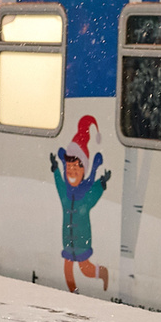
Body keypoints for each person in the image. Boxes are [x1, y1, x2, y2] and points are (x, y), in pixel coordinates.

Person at [48, 115, 112, 293]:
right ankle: (74, 294)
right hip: (68, 241)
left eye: (76, 168)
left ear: (84, 171)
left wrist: (101, 184)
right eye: (69, 168)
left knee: (85, 269)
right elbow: (60, 183)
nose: (71, 172)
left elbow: (94, 194)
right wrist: (55, 170)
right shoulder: (65, 195)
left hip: (82, 241)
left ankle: (102, 273)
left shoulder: (85, 197)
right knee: (67, 269)